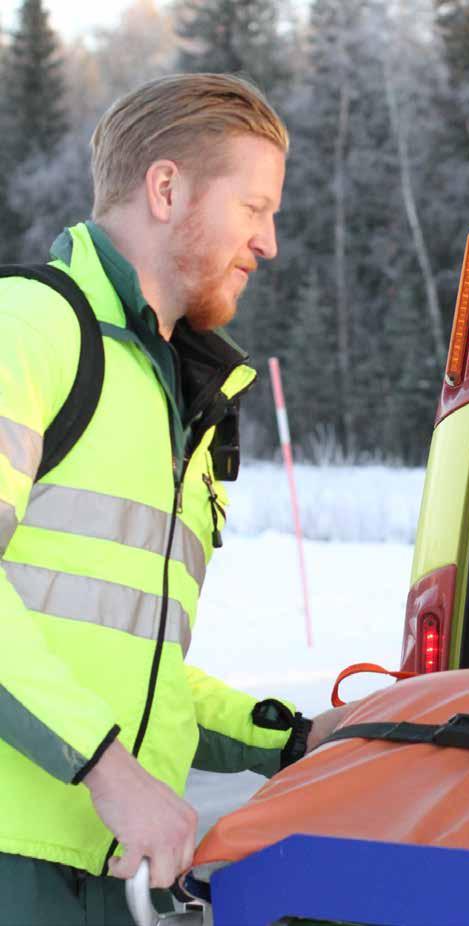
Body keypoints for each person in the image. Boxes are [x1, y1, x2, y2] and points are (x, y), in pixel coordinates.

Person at [0, 73, 349, 924]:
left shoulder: (170, 393)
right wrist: (109, 772)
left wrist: (292, 738)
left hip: (105, 867)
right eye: (255, 207)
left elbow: (123, 658)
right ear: (167, 188)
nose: (268, 243)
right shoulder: (30, 328)